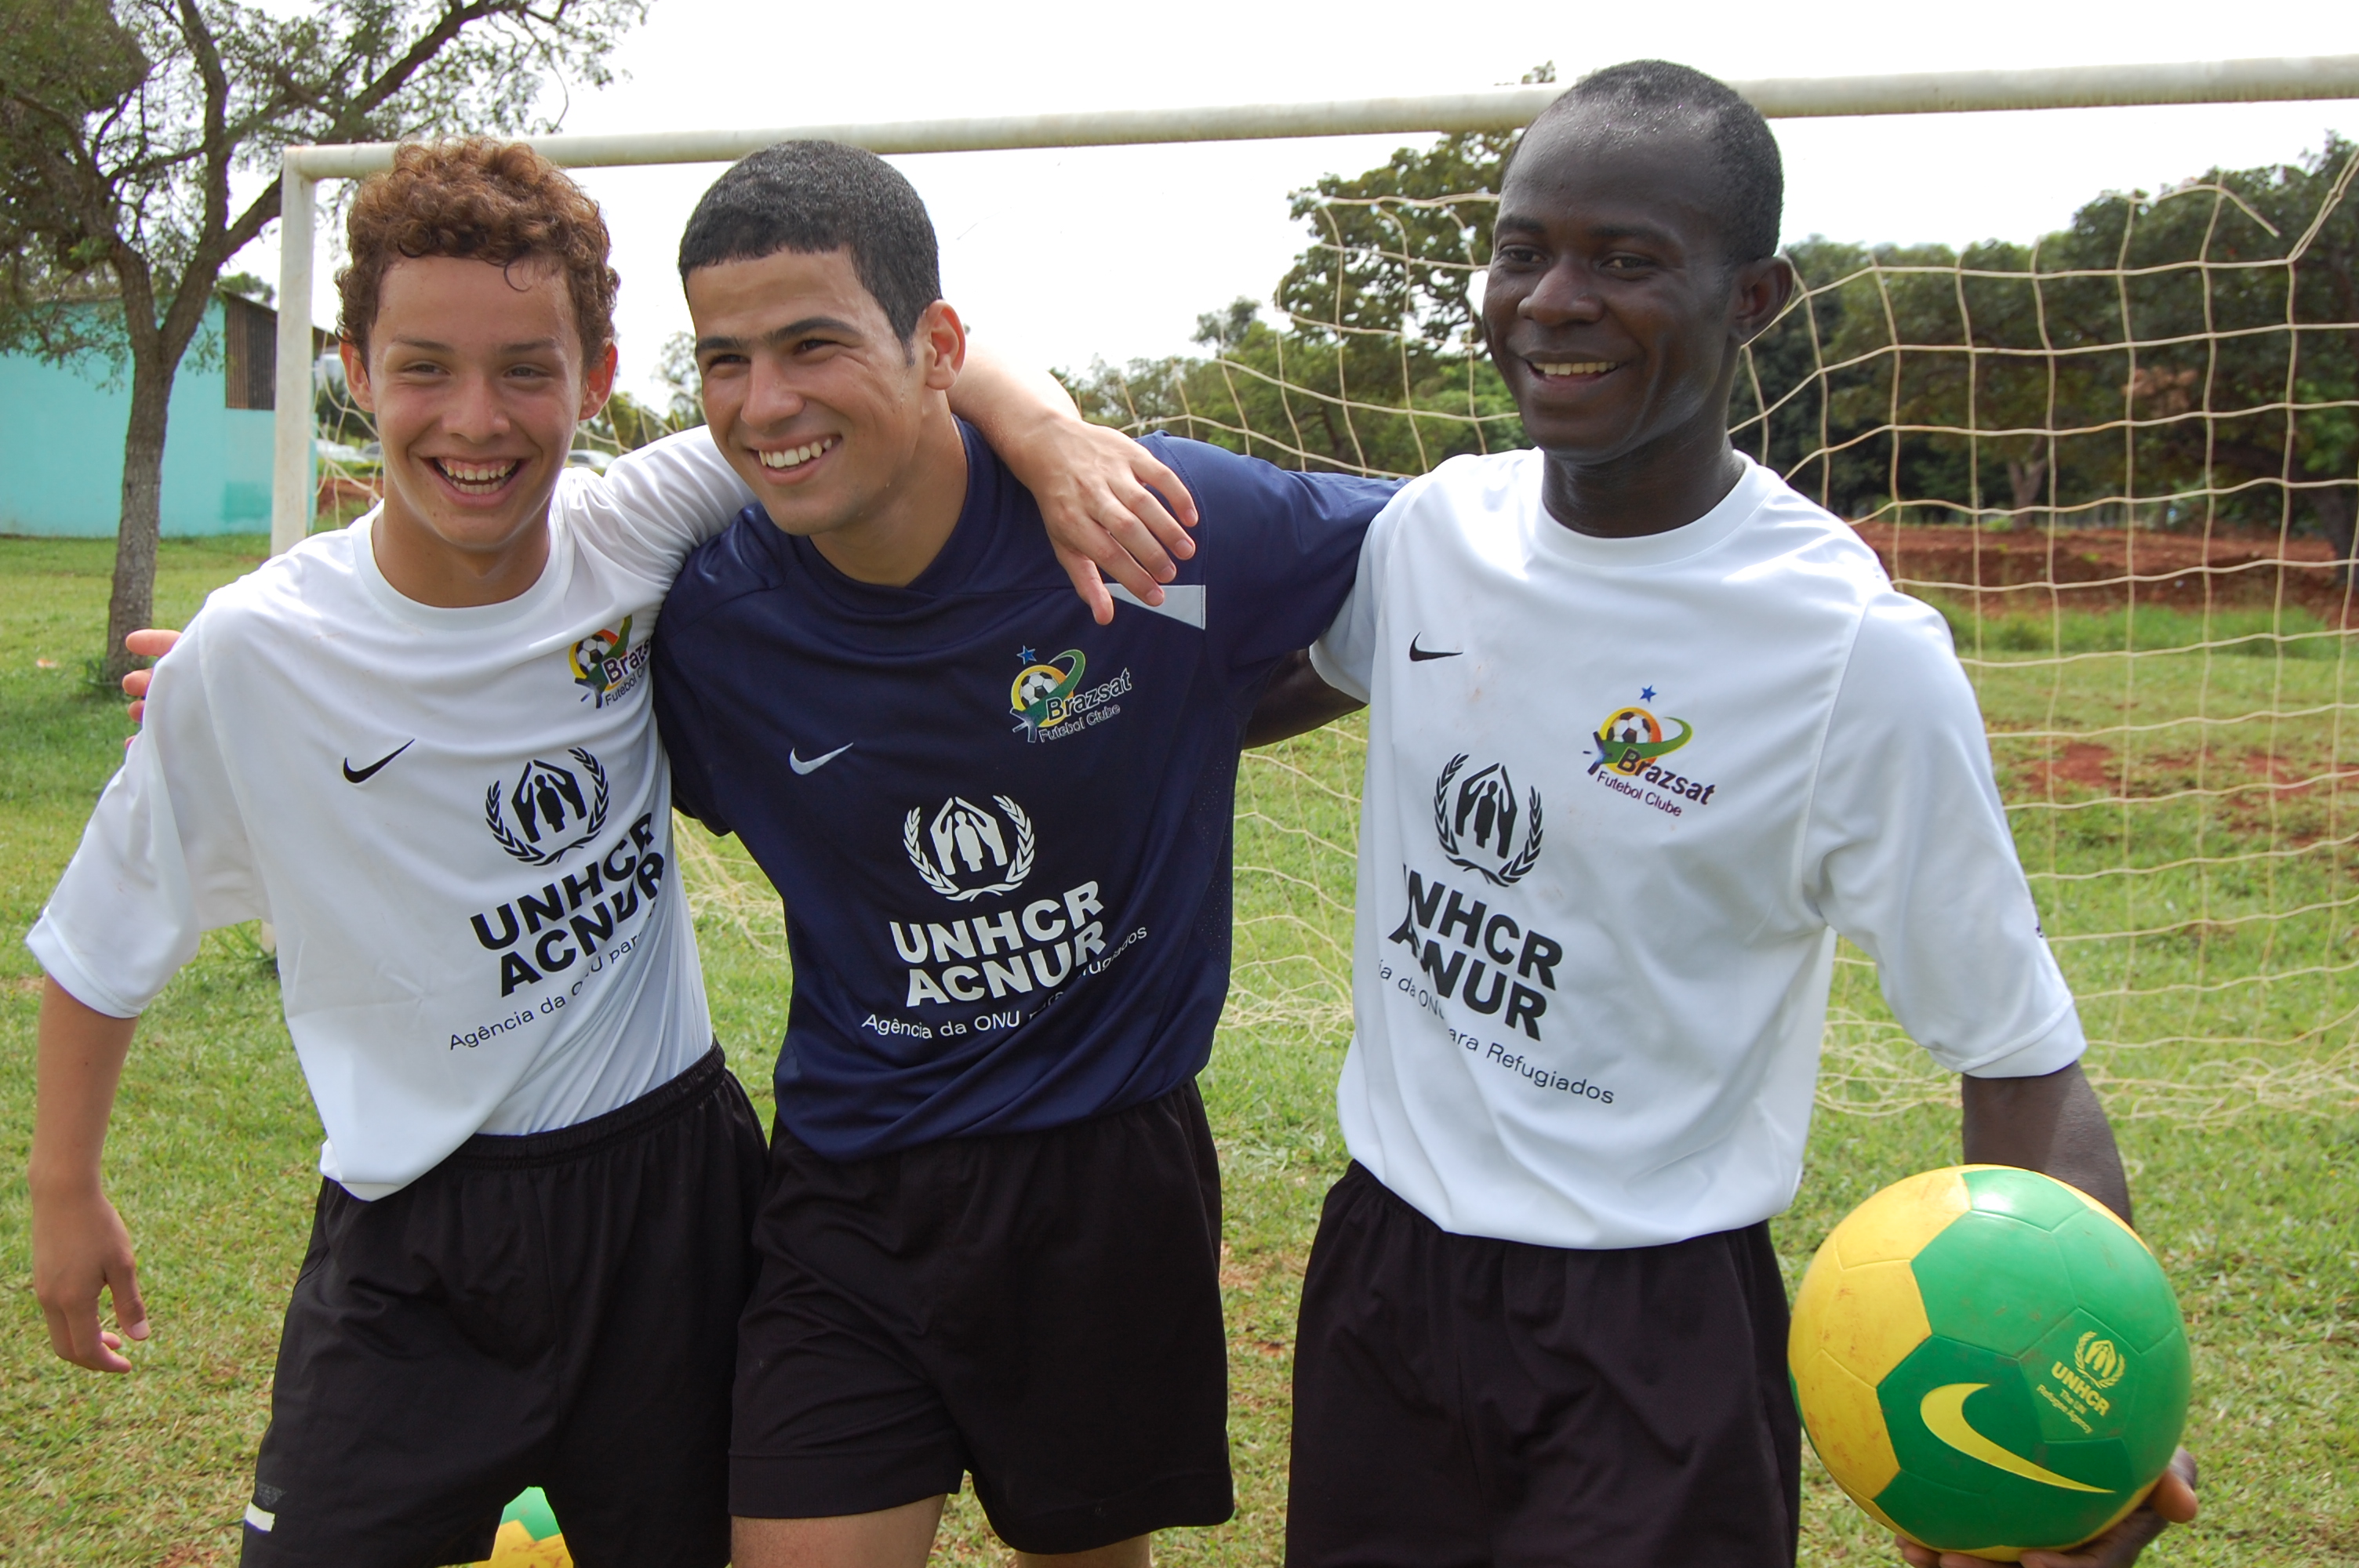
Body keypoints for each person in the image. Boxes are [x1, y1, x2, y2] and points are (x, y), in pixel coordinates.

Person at [27, 138, 1190, 1568]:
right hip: (414, 1239)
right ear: (352, 368)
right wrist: (64, 1190)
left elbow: (900, 377)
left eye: (528, 369)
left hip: (670, 1198)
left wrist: (1048, 434)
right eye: (423, 369)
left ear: (596, 373)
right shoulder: (257, 653)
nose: (477, 420)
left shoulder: (633, 524)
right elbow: (102, 940)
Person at [1249, 61, 2201, 1568]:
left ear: (1752, 298)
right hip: (1384, 1281)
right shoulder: (1433, 536)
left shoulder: (1849, 656)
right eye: (1522, 249)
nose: (1554, 299)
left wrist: (2097, 1407)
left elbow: (2013, 1051)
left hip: (1653, 1326)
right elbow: (1216, 701)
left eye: (1627, 261)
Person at [646, 140, 1401, 1568]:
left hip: (1104, 1181)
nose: (767, 404)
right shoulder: (709, 631)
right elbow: (505, 683)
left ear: (939, 347)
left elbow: (1457, 555)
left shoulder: (1148, 526)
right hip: (850, 1183)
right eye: (725, 359)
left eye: (814, 345)